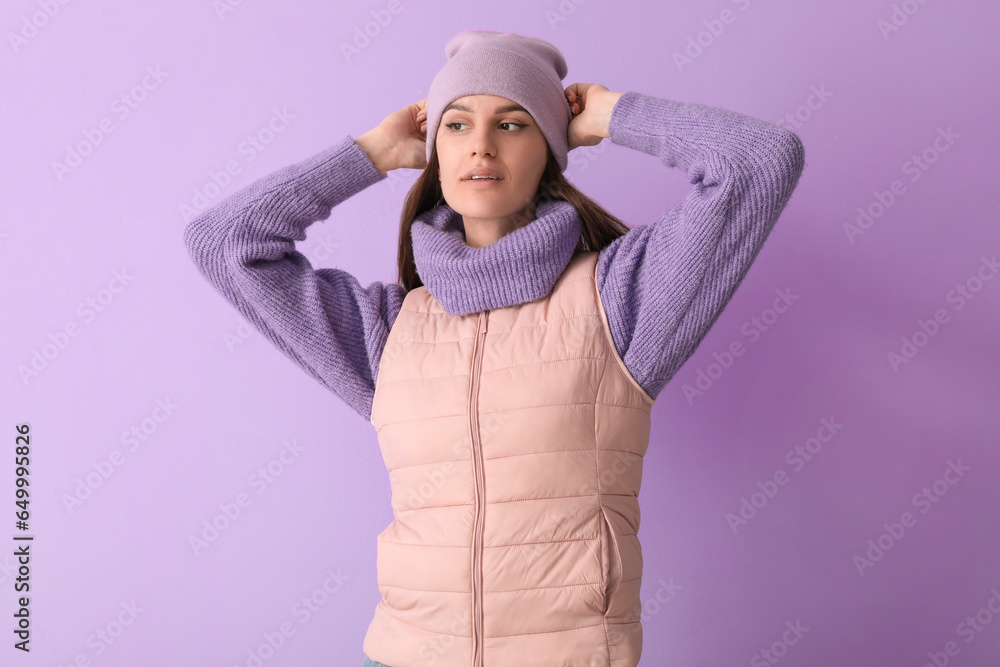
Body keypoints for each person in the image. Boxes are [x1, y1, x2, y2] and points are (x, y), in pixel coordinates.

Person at [184, 29, 805, 667]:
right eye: (455, 125)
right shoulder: (387, 331)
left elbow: (759, 161)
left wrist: (614, 114)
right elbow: (226, 243)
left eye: (512, 124)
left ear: (549, 151)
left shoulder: (620, 301)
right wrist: (370, 153)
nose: (479, 144)